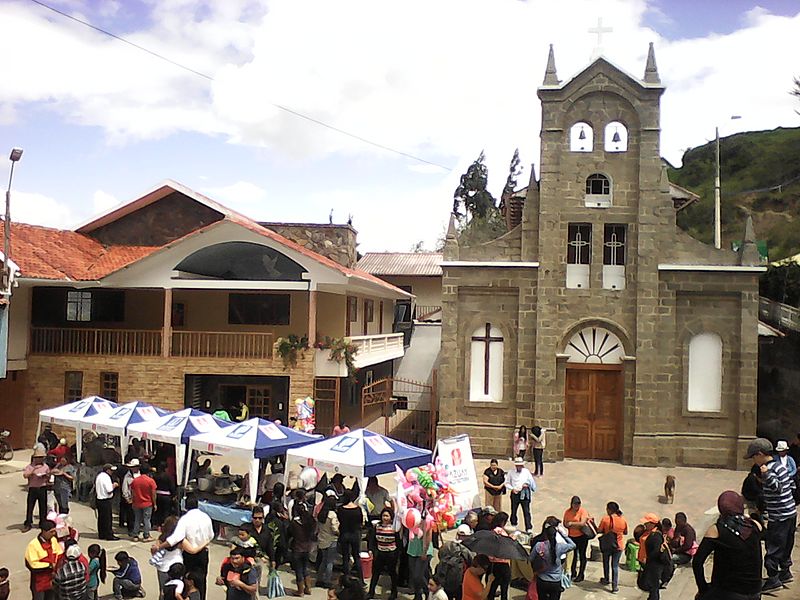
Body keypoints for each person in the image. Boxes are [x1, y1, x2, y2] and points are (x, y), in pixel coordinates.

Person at [744, 437, 796, 591]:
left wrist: (766, 475)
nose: (753, 461)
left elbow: (777, 487)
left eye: (753, 457)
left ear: (760, 454)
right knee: (786, 545)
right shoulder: (781, 465)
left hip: (779, 516)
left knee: (773, 547)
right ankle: (785, 572)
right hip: (790, 512)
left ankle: (773, 578)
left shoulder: (770, 468)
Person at [692, 491, 762, 600]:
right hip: (755, 591)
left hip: (728, 591)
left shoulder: (717, 530)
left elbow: (697, 562)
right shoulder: (755, 526)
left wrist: (703, 589)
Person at [152, 495, 214, 600]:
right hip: (203, 553)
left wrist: (160, 546)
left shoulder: (185, 519)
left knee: (187, 581)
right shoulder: (206, 517)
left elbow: (175, 538)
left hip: (190, 554)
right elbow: (211, 535)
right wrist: (204, 543)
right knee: (201, 579)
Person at [530, 516, 575, 600]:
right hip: (556, 581)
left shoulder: (539, 545)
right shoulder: (560, 547)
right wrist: (563, 534)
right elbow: (573, 545)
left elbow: (531, 558)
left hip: (542, 579)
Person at [25, 520, 63, 600]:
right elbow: (32, 564)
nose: (54, 534)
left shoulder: (53, 540)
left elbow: (59, 553)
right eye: (51, 532)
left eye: (54, 531)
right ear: (44, 531)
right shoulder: (33, 545)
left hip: (52, 579)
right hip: (39, 581)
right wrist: (49, 565)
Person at [368, 507, 400, 600]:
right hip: (380, 553)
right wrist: (371, 550)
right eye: (383, 516)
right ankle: (371, 592)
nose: (385, 518)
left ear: (391, 517)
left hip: (391, 554)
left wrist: (396, 554)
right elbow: (372, 539)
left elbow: (398, 542)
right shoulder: (377, 526)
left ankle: (394, 592)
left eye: (387, 516)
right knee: (375, 573)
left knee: (392, 574)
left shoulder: (394, 527)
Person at [150, 515, 184, 597]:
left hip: (163, 567)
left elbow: (153, 552)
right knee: (177, 590)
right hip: (177, 567)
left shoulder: (161, 538)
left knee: (163, 590)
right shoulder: (180, 539)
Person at [288, 499, 317, 596]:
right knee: (306, 568)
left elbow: (290, 533)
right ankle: (308, 588)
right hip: (308, 548)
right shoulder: (310, 521)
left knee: (298, 570)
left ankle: (300, 591)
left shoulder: (294, 523)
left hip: (297, 548)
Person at [598, 501, 627, 594]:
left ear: (609, 510)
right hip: (619, 546)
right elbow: (625, 532)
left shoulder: (605, 519)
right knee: (615, 566)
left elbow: (599, 530)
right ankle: (615, 586)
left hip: (607, 545)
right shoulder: (623, 520)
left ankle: (606, 579)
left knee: (606, 563)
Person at [244, 506, 273, 593]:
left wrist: (273, 560)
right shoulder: (246, 529)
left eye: (260, 518)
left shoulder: (267, 530)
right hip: (247, 559)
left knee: (256, 582)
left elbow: (270, 546)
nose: (257, 520)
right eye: (255, 518)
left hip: (259, 559)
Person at [639, 514, 668, 600]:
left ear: (652, 524)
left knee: (653, 585)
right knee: (649, 584)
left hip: (654, 564)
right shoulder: (648, 532)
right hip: (647, 562)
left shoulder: (656, 535)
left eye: (647, 523)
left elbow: (656, 551)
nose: (645, 525)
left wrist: (647, 559)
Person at [337, 489, 364, 579]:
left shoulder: (341, 509)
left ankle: (346, 577)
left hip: (344, 533)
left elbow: (339, 521)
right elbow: (360, 522)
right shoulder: (357, 509)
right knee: (357, 557)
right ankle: (361, 578)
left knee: (345, 557)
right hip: (355, 534)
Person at [23, 446, 51, 532]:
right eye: (38, 458)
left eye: (41, 458)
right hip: (33, 488)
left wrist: (46, 476)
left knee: (43, 507)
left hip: (42, 487)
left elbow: (48, 477)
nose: (39, 459)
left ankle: (42, 523)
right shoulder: (30, 466)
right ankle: (28, 523)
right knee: (30, 506)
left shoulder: (45, 466)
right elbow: (25, 475)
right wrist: (33, 471)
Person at [562, 496, 589, 582]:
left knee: (582, 555)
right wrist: (571, 524)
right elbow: (565, 523)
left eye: (578, 504)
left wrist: (571, 524)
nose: (577, 506)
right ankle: (573, 571)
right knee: (572, 556)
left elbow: (582, 523)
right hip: (571, 536)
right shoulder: (568, 512)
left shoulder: (583, 511)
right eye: (575, 504)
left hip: (582, 536)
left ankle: (581, 574)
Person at [487, 512, 513, 600]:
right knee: (504, 588)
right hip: (502, 563)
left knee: (492, 586)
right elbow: (507, 543)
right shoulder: (500, 531)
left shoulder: (491, 531)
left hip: (492, 563)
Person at [505, 457, 535, 532]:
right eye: (518, 465)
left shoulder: (526, 472)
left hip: (524, 494)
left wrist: (527, 484)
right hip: (515, 493)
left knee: (526, 511)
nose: (519, 467)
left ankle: (528, 527)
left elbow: (532, 482)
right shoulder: (511, 472)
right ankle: (514, 524)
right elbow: (507, 482)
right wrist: (512, 489)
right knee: (514, 510)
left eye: (520, 465)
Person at [317, 495, 340, 589]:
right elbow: (334, 528)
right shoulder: (332, 515)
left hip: (322, 539)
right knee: (330, 562)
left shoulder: (321, 513)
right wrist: (338, 533)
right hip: (331, 539)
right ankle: (327, 581)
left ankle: (319, 579)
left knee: (323, 560)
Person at [407, 518, 433, 600]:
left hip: (423, 552)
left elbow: (429, 536)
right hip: (412, 550)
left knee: (418, 576)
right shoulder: (411, 517)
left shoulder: (427, 521)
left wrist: (424, 551)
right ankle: (418, 596)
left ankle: (428, 591)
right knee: (416, 575)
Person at [130, 463, 157, 541]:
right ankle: (146, 535)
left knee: (137, 519)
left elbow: (133, 492)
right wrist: (154, 504)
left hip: (137, 503)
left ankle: (135, 535)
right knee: (146, 519)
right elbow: (153, 493)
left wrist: (133, 501)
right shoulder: (151, 481)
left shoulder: (135, 481)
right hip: (147, 503)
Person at [95, 464, 119, 541]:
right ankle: (109, 534)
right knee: (108, 519)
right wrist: (114, 485)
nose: (112, 472)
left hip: (99, 499)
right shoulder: (106, 477)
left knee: (101, 518)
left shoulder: (99, 476)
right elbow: (109, 490)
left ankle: (102, 534)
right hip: (105, 500)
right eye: (111, 470)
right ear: (108, 470)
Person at [153, 463, 177, 528]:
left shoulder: (155, 476)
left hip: (157, 495)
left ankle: (157, 525)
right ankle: (164, 524)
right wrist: (174, 495)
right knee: (166, 511)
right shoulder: (168, 476)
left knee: (158, 511)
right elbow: (171, 487)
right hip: (166, 496)